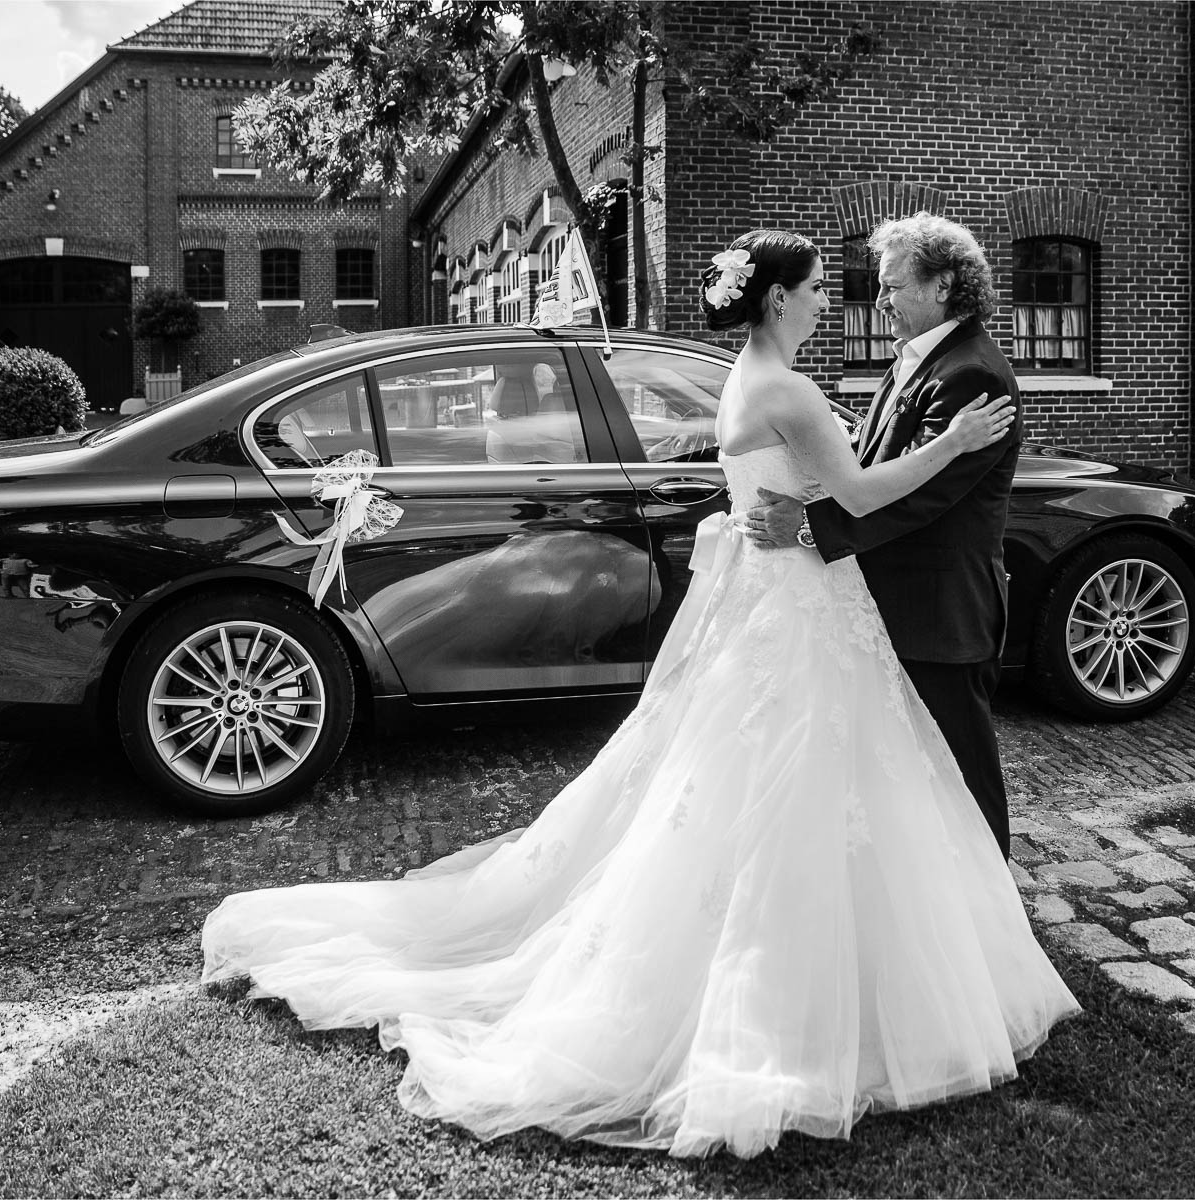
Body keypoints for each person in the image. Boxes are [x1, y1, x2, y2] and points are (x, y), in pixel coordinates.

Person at [200, 230, 1080, 1159]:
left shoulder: (757, 376)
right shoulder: (783, 384)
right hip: (807, 610)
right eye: (824, 288)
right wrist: (946, 446)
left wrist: (842, 495)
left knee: (814, 784)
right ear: (778, 300)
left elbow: (823, 490)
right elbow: (861, 493)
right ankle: (886, 973)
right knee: (817, 784)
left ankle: (930, 944)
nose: (845, 299)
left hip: (815, 603)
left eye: (879, 284)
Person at [740, 212, 1021, 858]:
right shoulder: (917, 360)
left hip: (941, 615)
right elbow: (875, 464)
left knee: (962, 778)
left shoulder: (971, 375)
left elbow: (920, 497)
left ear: (943, 285)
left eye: (893, 286)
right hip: (891, 607)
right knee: (913, 777)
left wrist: (808, 526)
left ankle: (996, 919)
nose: (880, 299)